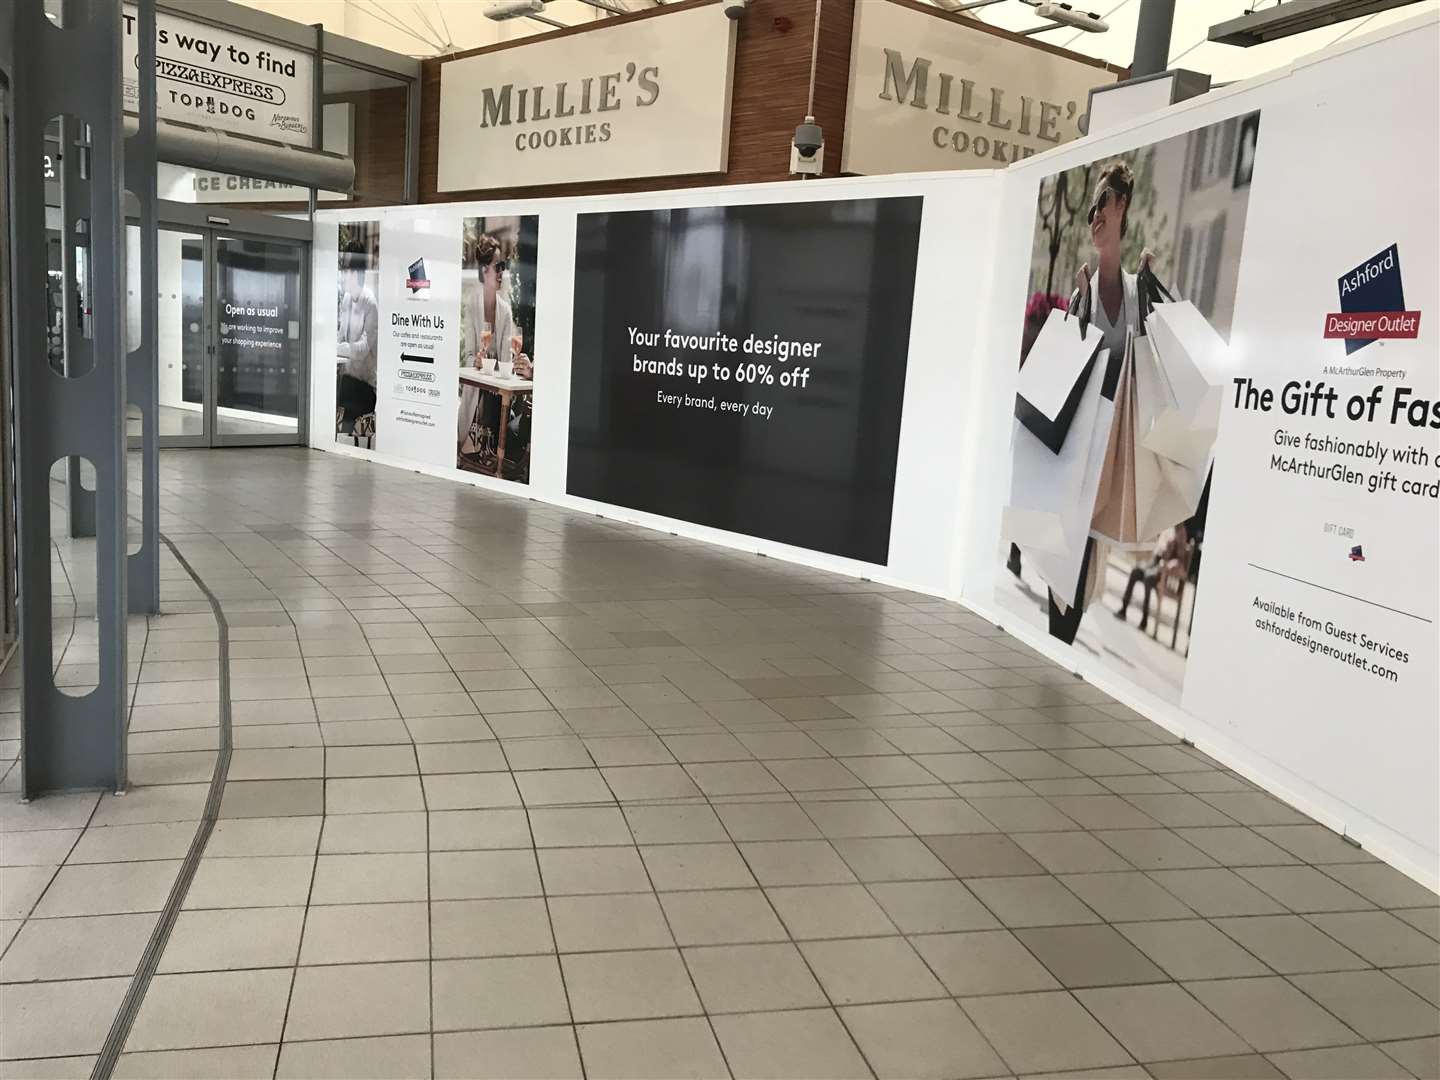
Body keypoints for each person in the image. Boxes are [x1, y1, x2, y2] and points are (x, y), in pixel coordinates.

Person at [1047, 161, 1154, 644]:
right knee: (1060, 566)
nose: (1094, 214)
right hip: (1075, 455)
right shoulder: (1083, 291)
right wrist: (1077, 308)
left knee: (1085, 568)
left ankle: (1059, 645)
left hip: (1110, 458)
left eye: (1103, 203)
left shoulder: (1136, 293)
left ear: (1122, 208)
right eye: (1091, 206)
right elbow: (1062, 373)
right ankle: (1054, 643)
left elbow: (1149, 368)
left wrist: (1154, 299)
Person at [458, 234, 533, 456]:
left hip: (494, 397)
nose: (502, 272)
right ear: (484, 270)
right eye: (498, 266)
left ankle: (487, 448)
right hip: (476, 394)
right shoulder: (472, 304)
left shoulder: (505, 311)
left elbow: (506, 362)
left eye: (503, 266)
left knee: (492, 399)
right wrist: (477, 361)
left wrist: (503, 363)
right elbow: (469, 356)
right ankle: (479, 446)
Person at [1116, 525, 1189, 633]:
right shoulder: (1167, 525)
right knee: (1135, 572)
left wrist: (1167, 565)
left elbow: (1180, 559)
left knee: (1148, 579)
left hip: (1164, 571)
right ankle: (1124, 608)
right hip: (1154, 564)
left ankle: (1144, 619)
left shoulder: (1181, 532)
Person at [336, 251, 378, 433]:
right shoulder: (346, 300)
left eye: (344, 270)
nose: (341, 276)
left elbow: (362, 349)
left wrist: (340, 348)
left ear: (353, 273)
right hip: (346, 382)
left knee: (343, 428)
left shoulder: (370, 303)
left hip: (364, 388)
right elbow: (340, 337)